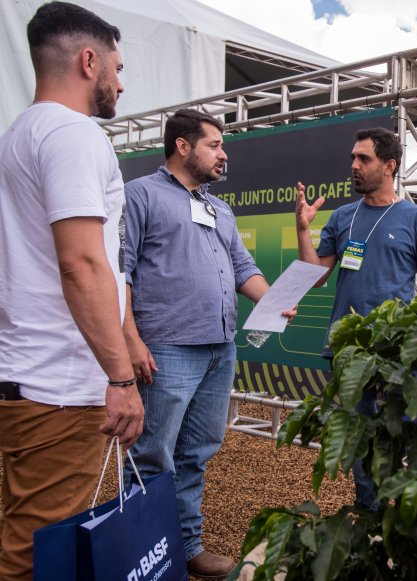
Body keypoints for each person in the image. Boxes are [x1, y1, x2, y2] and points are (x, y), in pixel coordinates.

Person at [0, 2, 144, 578]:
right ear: (90, 61)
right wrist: (120, 379)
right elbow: (83, 265)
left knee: (25, 531)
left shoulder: (22, 132)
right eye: (117, 66)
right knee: (38, 556)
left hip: (31, 376)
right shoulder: (74, 134)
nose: (120, 82)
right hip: (59, 386)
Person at [122, 109, 294, 580]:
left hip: (220, 347)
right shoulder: (140, 195)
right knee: (152, 454)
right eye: (214, 145)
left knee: (196, 452)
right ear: (182, 146)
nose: (223, 154)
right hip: (167, 348)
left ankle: (187, 547)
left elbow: (243, 269)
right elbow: (122, 275)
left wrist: (276, 299)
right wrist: (131, 340)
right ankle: (142, 556)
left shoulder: (221, 209)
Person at [295, 126, 417, 509]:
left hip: (400, 352)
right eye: (352, 158)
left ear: (390, 165)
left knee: (410, 432)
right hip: (348, 349)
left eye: (363, 158)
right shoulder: (343, 216)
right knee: (360, 439)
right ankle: (369, 517)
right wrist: (303, 230)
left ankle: (411, 516)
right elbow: (316, 278)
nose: (354, 165)